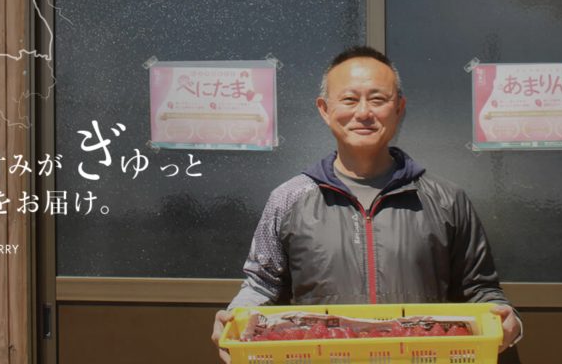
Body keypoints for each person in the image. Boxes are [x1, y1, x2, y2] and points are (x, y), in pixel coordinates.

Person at [211, 46, 524, 362]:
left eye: (377, 99)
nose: (363, 112)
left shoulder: (446, 199)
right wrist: (236, 316)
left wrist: (505, 317)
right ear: (324, 109)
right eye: (349, 99)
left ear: (399, 107)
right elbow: (262, 285)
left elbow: (480, 290)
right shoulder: (288, 198)